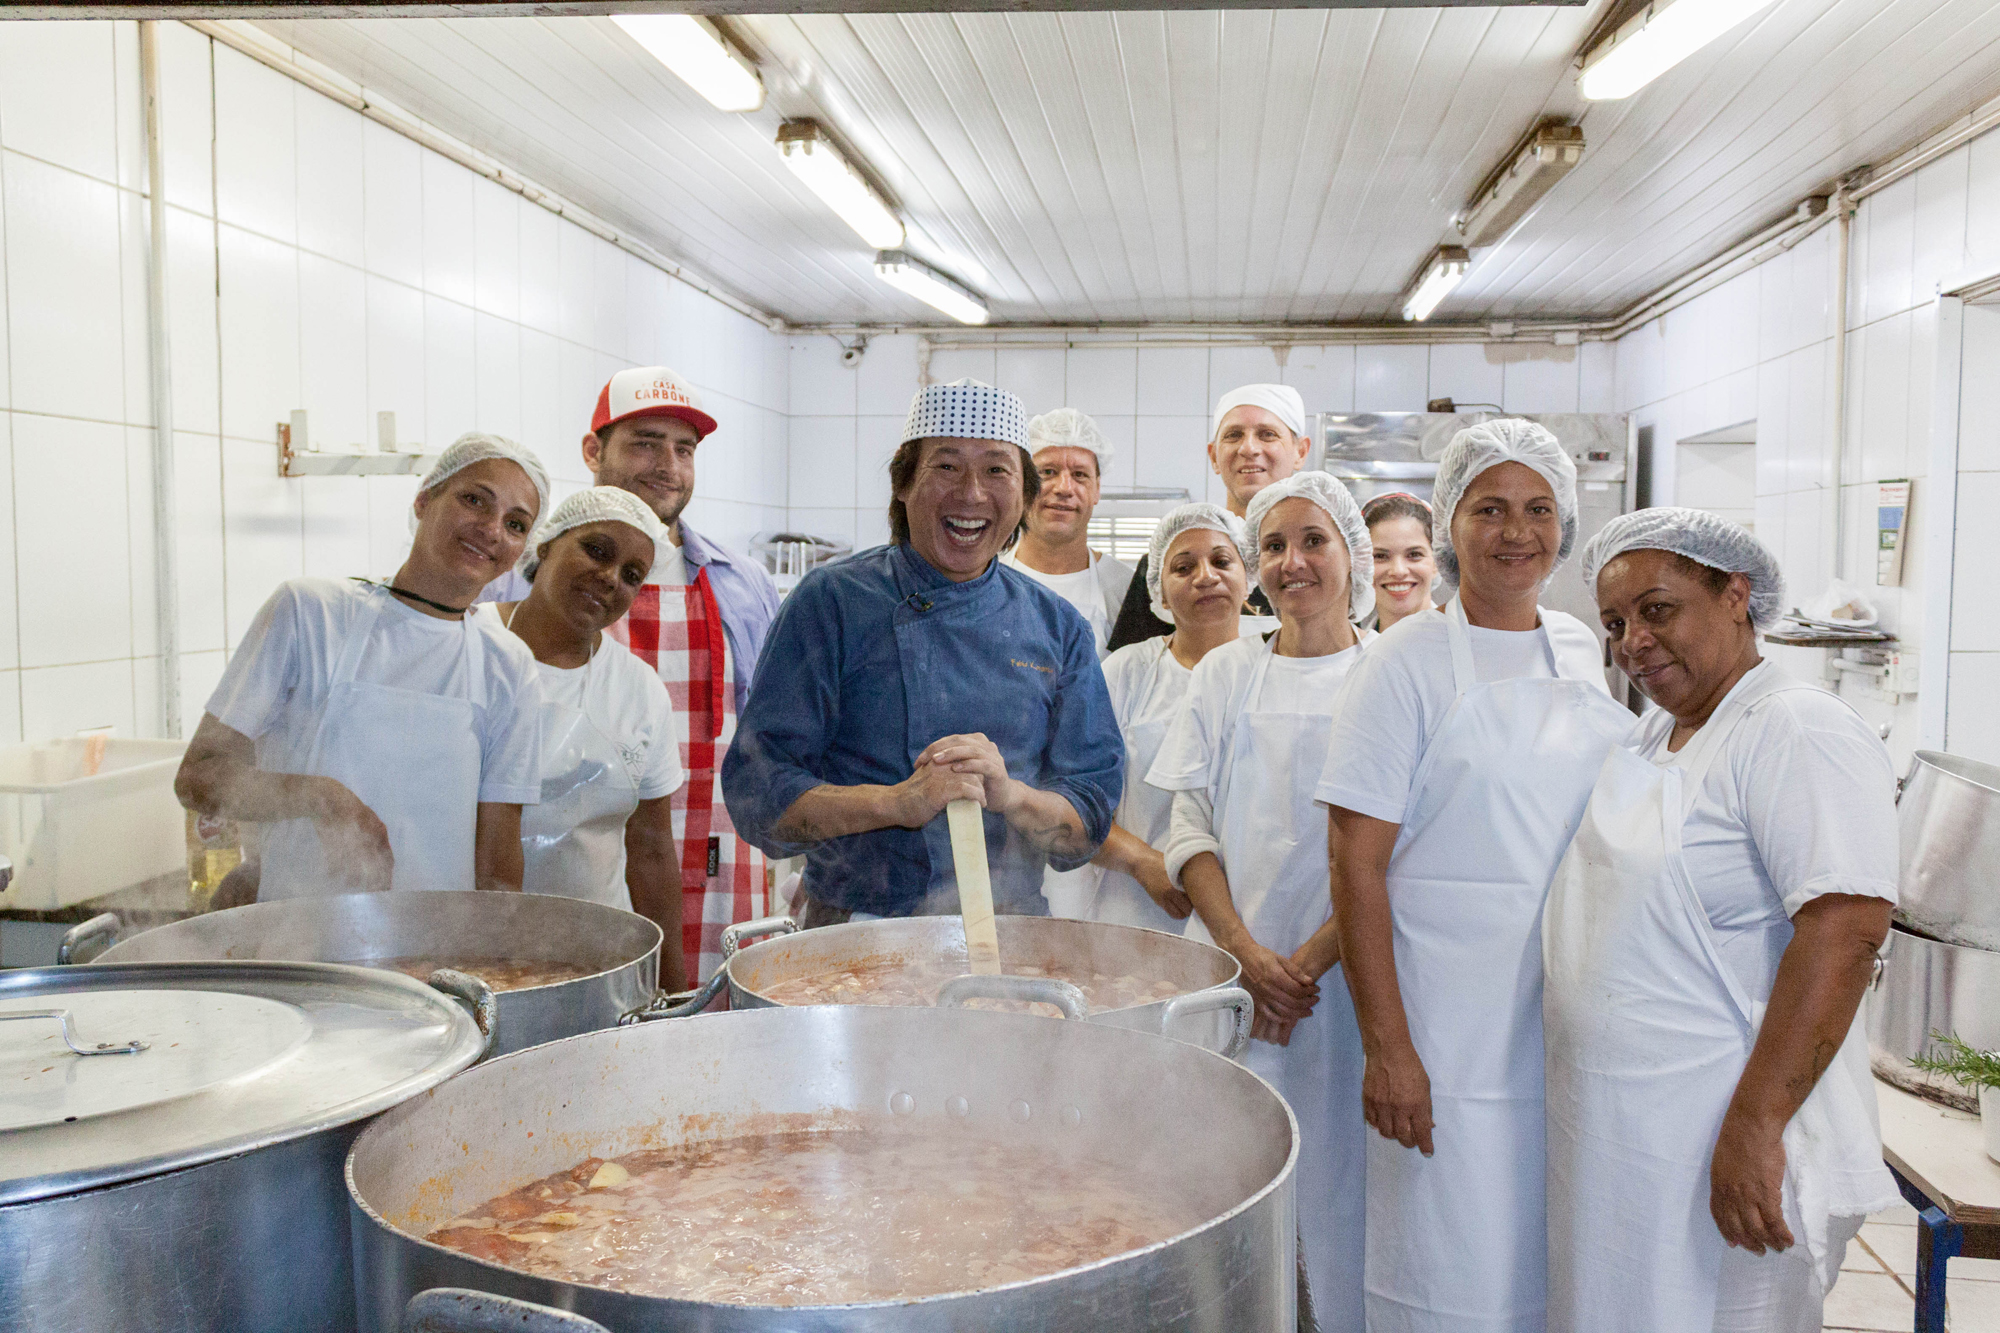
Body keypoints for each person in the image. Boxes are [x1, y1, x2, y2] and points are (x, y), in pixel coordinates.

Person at [1545, 508, 1900, 1333]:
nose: (1633, 639)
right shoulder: (1651, 736)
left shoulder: (1792, 728)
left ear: (1736, 595)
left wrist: (1755, 1125)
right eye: (1616, 623)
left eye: (1657, 609)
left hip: (1714, 1137)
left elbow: (1845, 930)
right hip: (1620, 1138)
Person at [1315, 419, 1634, 1333]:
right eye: (1489, 508)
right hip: (1446, 1041)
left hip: (1566, 1025)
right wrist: (1390, 1049)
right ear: (1452, 522)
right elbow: (1356, 861)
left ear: (1564, 526)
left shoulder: (1580, 649)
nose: (1515, 531)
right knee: (1450, 1274)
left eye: (1538, 509)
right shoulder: (1402, 662)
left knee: (1555, 1264)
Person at [722, 379, 1124, 924]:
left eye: (997, 469)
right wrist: (896, 804)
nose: (973, 493)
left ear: (1024, 494)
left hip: (1011, 934)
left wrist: (1010, 796)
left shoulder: (1057, 628)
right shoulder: (832, 602)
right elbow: (758, 793)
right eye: (947, 466)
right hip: (852, 933)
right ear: (903, 483)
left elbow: (1087, 819)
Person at [1149, 472, 1377, 1327]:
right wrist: (1247, 953)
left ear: (1350, 552)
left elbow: (1404, 852)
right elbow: (1190, 828)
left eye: (1313, 539)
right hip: (1239, 986)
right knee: (1242, 1193)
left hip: (1354, 987)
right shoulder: (1225, 675)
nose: (1292, 562)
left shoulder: (1392, 672)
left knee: (1348, 1197)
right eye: (1274, 546)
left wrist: (1308, 965)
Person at [483, 366, 781, 991]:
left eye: (684, 449)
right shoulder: (511, 579)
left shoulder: (742, 582)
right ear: (594, 451)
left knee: (713, 1037)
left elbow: (767, 736)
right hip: (570, 859)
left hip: (725, 857)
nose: (667, 465)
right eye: (645, 441)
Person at [175, 434, 549, 901]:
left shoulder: (508, 665)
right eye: (474, 500)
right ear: (424, 499)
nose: (492, 530)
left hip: (432, 958)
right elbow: (199, 779)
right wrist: (322, 798)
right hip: (295, 945)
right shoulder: (311, 613)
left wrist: (498, 964)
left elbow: (497, 864)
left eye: (516, 525)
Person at [477, 487, 690, 991]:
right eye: (597, 550)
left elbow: (652, 850)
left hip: (599, 962)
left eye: (632, 575)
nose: (611, 578)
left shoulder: (638, 690)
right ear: (547, 543)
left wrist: (675, 989)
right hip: (470, 951)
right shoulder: (471, 646)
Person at [1076, 503, 1257, 930]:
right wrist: (1144, 863)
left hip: (1253, 917)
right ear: (1158, 588)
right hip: (1138, 915)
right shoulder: (1126, 672)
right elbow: (1076, 802)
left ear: (1249, 576)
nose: (1206, 576)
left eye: (1222, 561)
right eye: (1183, 567)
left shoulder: (1276, 667)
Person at [1104, 383, 1308, 651]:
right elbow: (1133, 674)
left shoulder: (1314, 566)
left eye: (1267, 434)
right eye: (1233, 435)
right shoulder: (1169, 564)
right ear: (1213, 456)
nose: (1248, 448)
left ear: (1301, 452)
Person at [998, 408, 1133, 659]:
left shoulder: (1125, 588)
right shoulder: (986, 579)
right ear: (1023, 484)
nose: (1064, 488)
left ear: (1097, 490)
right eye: (1048, 472)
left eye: (1080, 475)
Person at [1363, 492, 1439, 632]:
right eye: (1380, 556)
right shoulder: (1355, 651)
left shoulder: (1470, 645)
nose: (1398, 571)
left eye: (1414, 554)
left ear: (1436, 562)